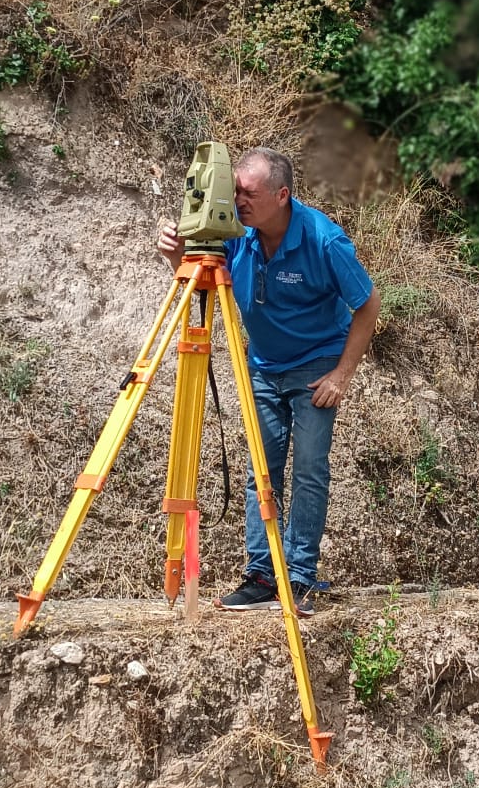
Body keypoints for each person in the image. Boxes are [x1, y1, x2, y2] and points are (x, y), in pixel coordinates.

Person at [158, 146, 379, 614]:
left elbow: (368, 305)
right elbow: (198, 283)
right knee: (261, 470)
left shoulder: (324, 240)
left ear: (281, 195)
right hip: (261, 368)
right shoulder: (238, 235)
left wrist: (341, 375)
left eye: (247, 192)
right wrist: (179, 252)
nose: (237, 199)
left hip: (316, 368)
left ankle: (298, 577)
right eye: (234, 189)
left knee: (309, 471)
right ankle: (262, 575)